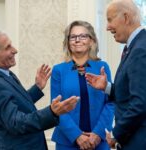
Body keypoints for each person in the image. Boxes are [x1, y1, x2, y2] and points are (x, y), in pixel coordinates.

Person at [0, 30, 79, 150]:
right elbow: (16, 123)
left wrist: (37, 88)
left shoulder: (6, 74)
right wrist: (51, 112)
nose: (15, 50)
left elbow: (17, 104)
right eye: (7, 47)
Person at [85, 0, 146, 149]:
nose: (107, 27)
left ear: (126, 17)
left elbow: (141, 103)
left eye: (110, 19)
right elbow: (132, 92)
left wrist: (115, 134)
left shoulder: (140, 50)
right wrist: (107, 87)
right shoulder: (135, 46)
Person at [50, 20, 114, 150]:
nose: (77, 40)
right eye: (73, 37)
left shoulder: (102, 67)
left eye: (83, 36)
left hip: (98, 140)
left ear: (91, 41)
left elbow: (111, 102)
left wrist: (98, 133)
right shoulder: (58, 70)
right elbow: (56, 107)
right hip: (67, 141)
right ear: (68, 42)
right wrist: (77, 135)